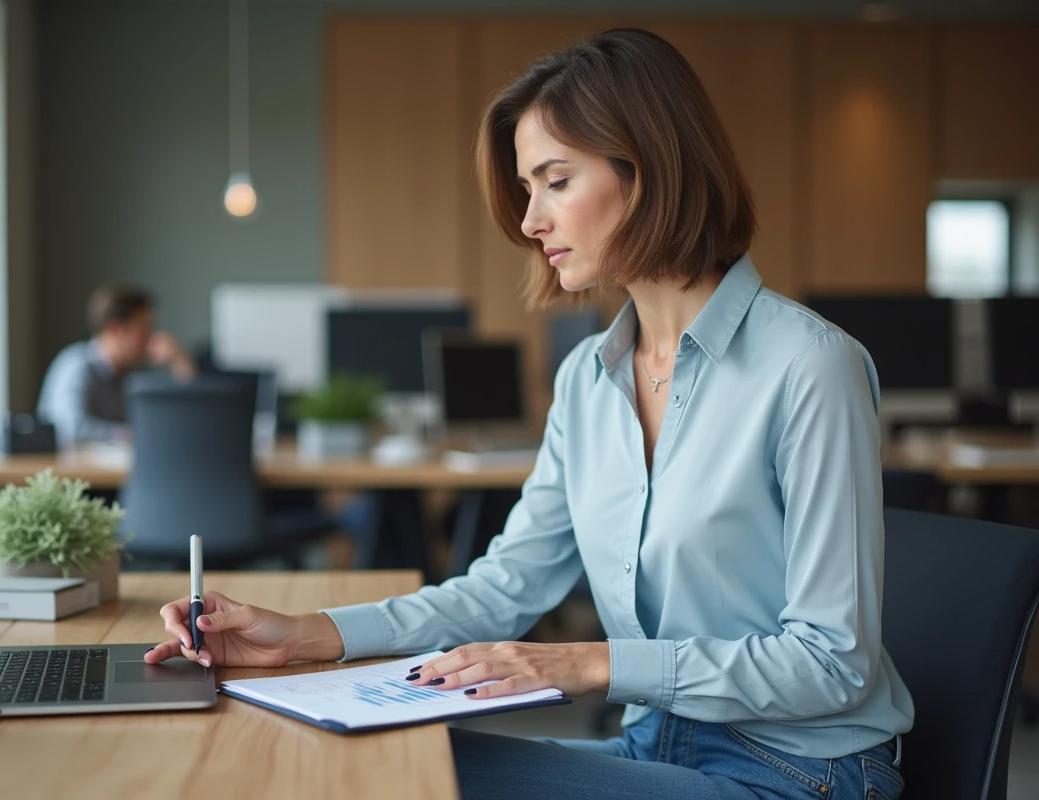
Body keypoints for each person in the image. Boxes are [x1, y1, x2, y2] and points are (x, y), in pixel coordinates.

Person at [145, 29, 913, 799]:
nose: (529, 219)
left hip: (799, 771)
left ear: (648, 170)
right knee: (371, 760)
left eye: (555, 181)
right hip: (657, 742)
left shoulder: (811, 367)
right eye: (526, 187)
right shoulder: (588, 380)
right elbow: (503, 589)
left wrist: (584, 663)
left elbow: (833, 663)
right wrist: (303, 634)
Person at [37, 284, 195, 447]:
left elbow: (184, 419)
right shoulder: (76, 366)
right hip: (78, 471)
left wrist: (181, 363)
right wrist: (131, 435)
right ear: (115, 330)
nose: (151, 337)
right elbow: (69, 429)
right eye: (143, 329)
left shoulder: (136, 374)